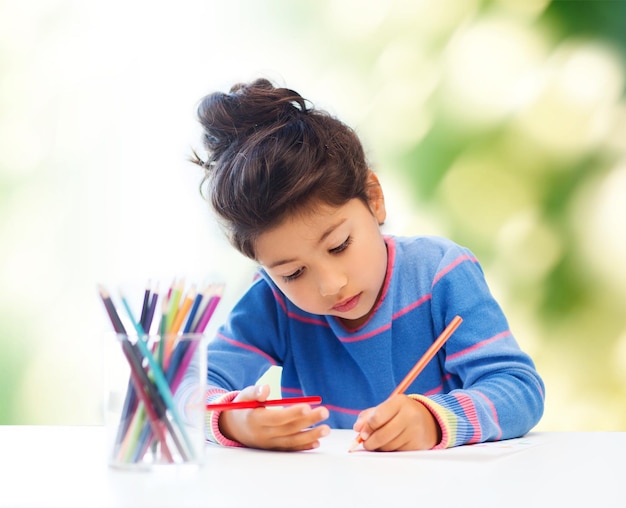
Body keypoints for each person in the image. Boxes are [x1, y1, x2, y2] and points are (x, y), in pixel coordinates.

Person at [190, 78, 545, 452]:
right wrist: (232, 418)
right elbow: (183, 384)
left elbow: (518, 388)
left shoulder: (440, 273)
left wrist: (433, 420)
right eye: (292, 273)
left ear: (374, 198)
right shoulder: (273, 303)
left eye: (339, 245)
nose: (330, 284)